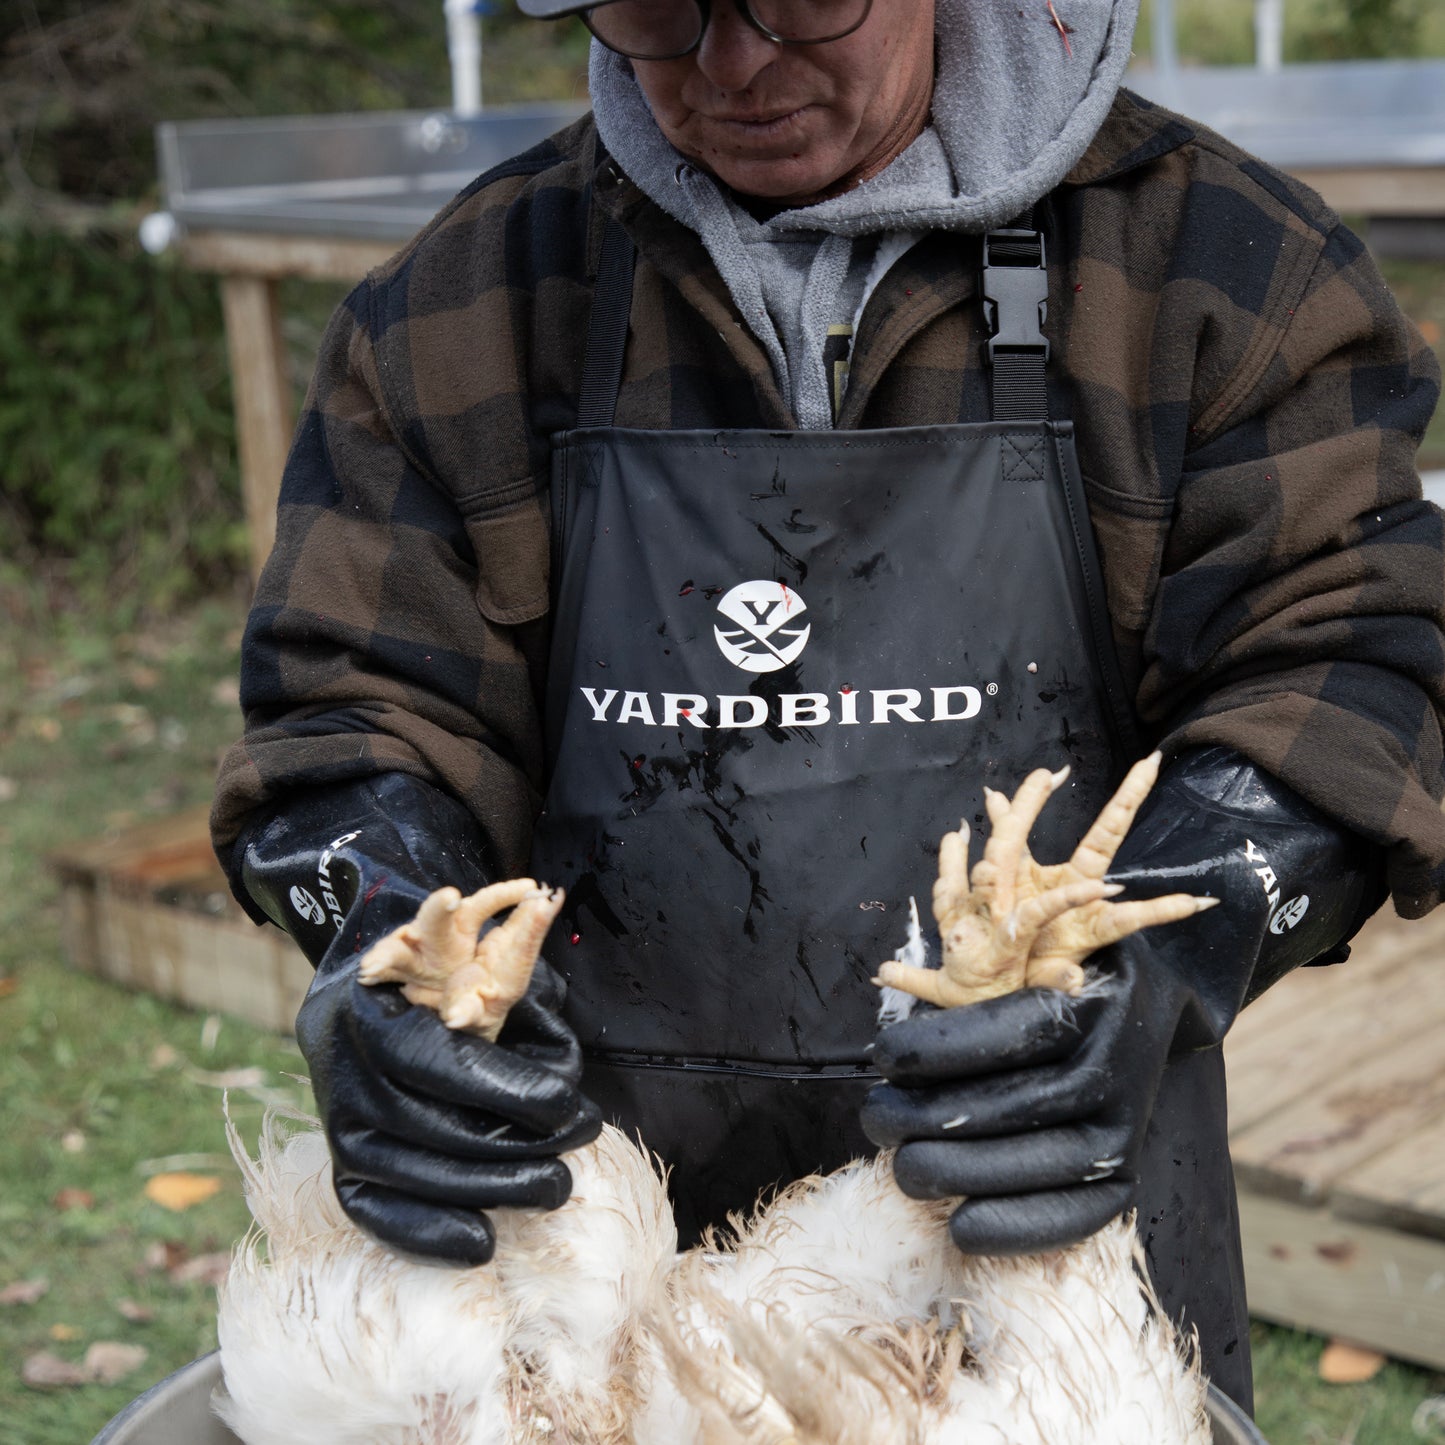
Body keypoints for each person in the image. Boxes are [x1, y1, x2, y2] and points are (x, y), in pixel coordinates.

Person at [211, 0, 1445, 1414]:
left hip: (1046, 1265)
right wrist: (380, 935)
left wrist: (1168, 952)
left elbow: (1357, 657)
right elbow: (346, 711)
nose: (727, 66)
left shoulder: (1210, 265)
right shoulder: (468, 304)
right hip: (584, 1283)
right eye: (654, 12)